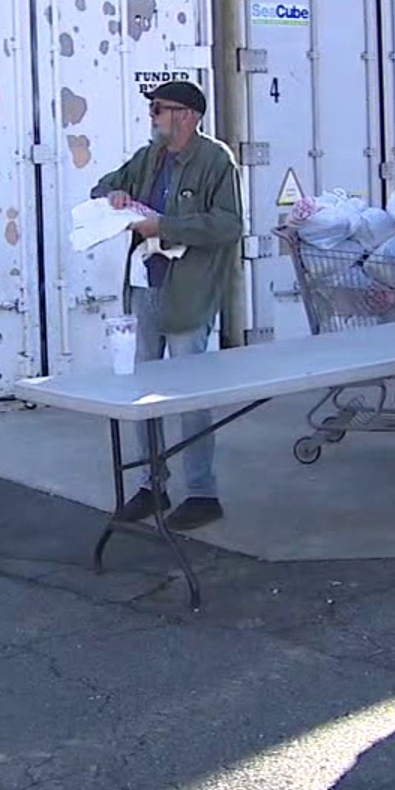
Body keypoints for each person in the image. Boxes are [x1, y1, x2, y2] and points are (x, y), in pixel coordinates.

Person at [89, 80, 244, 531]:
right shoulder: (149, 157)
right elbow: (104, 186)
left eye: (160, 109)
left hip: (187, 293)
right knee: (142, 391)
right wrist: (113, 196)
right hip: (143, 288)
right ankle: (151, 485)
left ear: (187, 116)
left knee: (190, 394)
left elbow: (229, 224)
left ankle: (202, 492)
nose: (153, 117)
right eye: (153, 109)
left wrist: (166, 226)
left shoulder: (216, 161)